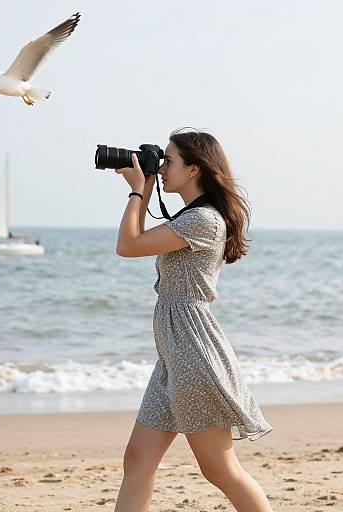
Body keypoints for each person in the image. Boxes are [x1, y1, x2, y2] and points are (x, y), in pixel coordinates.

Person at [113, 128, 274, 512]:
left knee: (219, 469)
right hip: (173, 356)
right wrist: (145, 186)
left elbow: (127, 246)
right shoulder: (190, 217)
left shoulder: (203, 220)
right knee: (137, 460)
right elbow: (134, 241)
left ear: (194, 169)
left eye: (168, 161)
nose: (162, 167)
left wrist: (139, 190)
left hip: (193, 353)